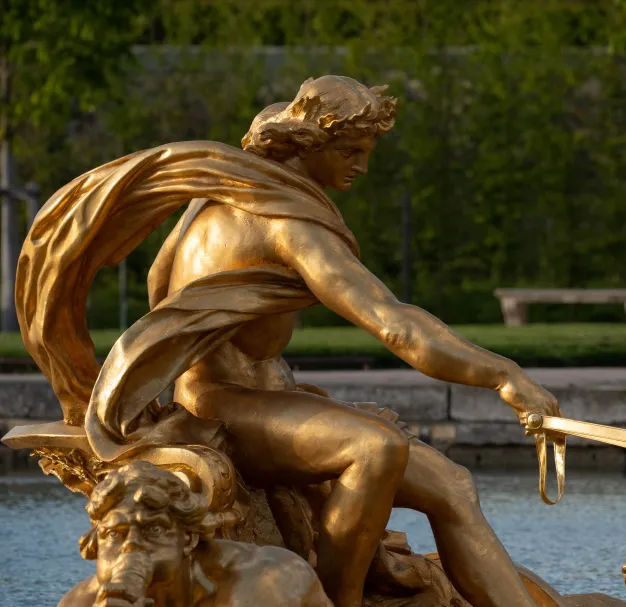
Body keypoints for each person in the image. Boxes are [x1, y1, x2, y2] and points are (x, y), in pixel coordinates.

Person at [142, 76, 559, 607]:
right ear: (309, 144)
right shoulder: (286, 222)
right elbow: (395, 325)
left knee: (450, 483)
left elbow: (157, 279)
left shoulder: (227, 185)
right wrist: (504, 376)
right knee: (375, 446)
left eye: (366, 151)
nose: (361, 166)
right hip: (217, 403)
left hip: (263, 395)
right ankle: (341, 601)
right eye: (350, 151)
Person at [60, 461, 332, 607]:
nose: (131, 546)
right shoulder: (80, 602)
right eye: (114, 534)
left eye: (153, 529)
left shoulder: (264, 581)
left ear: (188, 538)